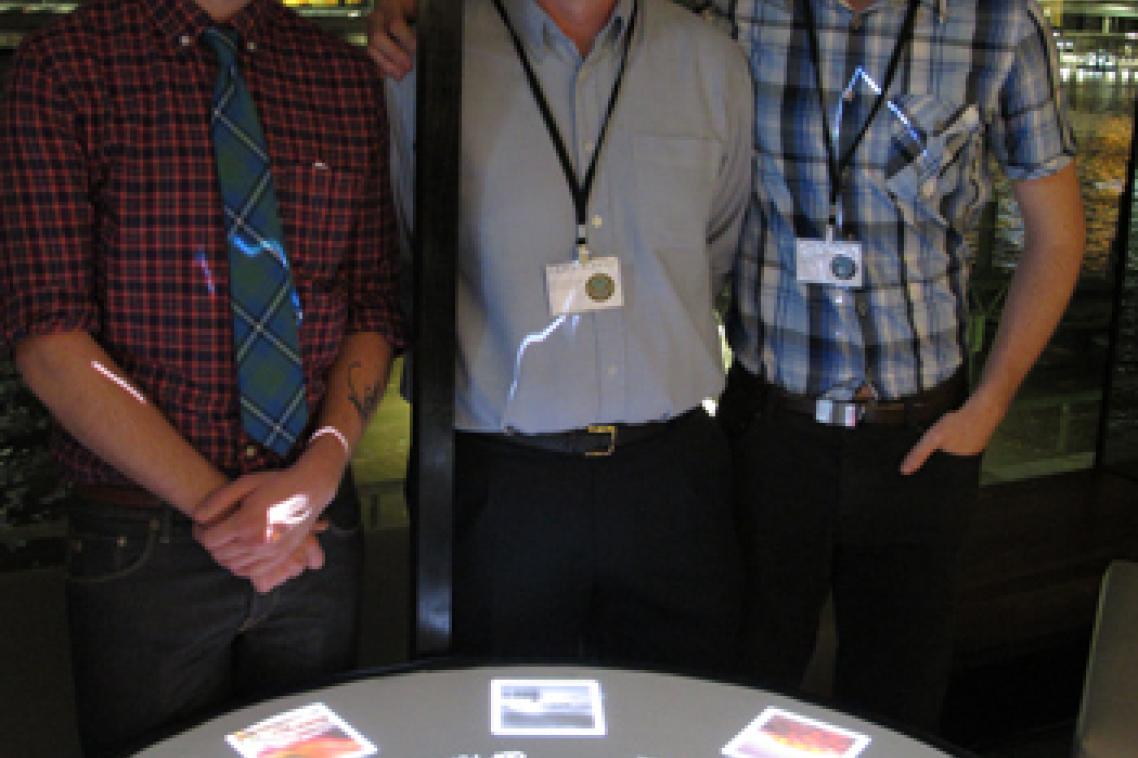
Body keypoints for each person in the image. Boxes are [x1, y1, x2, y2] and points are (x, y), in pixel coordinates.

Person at [368, 0, 1086, 733]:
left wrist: (990, 406)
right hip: (742, 440)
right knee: (674, 710)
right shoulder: (739, 18)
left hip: (898, 440)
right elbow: (398, 237)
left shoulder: (987, 25)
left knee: (862, 709)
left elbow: (1055, 238)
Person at [0, 0, 404, 754]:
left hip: (314, 524)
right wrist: (236, 520)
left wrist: (317, 473)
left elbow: (372, 305)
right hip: (145, 536)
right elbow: (48, 338)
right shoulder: (65, 64)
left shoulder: (342, 76)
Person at [383, 0, 752, 672]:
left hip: (669, 478)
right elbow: (408, 248)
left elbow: (715, 246)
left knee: (673, 718)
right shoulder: (428, 53)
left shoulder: (711, 60)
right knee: (496, 722)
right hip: (498, 481)